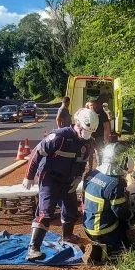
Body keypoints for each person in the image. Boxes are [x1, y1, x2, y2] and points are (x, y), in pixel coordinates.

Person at [23, 108, 99, 261]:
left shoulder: (87, 141)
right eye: (84, 130)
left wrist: (78, 177)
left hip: (68, 179)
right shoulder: (59, 137)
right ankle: (33, 248)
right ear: (77, 124)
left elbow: (81, 162)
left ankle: (67, 236)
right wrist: (29, 176)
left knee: (71, 209)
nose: (85, 135)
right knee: (46, 212)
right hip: (49, 177)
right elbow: (37, 153)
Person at [82, 143, 131, 257]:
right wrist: (133, 216)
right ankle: (103, 252)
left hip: (87, 225)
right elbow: (120, 212)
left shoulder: (91, 174)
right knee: (126, 241)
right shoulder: (115, 183)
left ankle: (98, 245)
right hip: (103, 231)